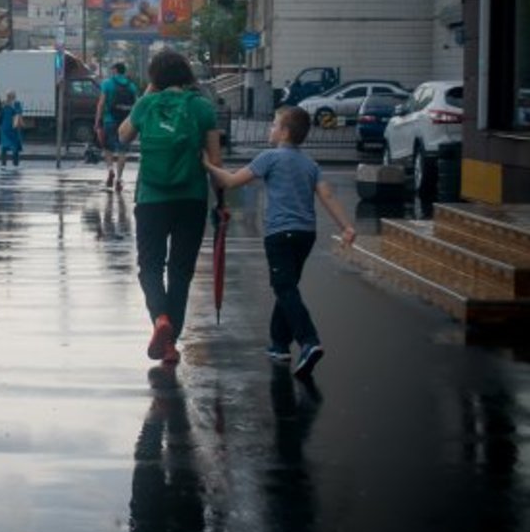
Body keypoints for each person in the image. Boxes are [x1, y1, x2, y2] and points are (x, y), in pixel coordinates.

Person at [203, 105, 356, 379]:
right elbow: (328, 196)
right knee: (287, 287)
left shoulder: (270, 158)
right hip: (305, 235)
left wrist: (206, 164)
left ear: (284, 132)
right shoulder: (311, 164)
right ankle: (279, 344)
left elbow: (230, 181)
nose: (270, 129)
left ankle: (309, 341)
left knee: (284, 287)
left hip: (279, 235)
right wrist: (346, 226)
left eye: (273, 124)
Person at [118, 50, 221, 364]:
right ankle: (170, 342)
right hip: (191, 199)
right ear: (187, 76)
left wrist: (149, 91)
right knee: (180, 272)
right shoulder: (202, 108)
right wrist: (222, 203)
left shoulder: (147, 104)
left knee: (150, 267)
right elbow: (215, 162)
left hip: (151, 199)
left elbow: (122, 136)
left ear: (156, 78)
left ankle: (160, 319)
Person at [94, 62, 138, 192]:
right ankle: (119, 179)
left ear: (114, 70)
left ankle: (110, 169)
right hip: (125, 123)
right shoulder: (132, 86)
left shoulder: (107, 84)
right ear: (124, 71)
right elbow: (136, 106)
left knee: (107, 148)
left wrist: (98, 120)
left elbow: (101, 104)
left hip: (109, 121)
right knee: (122, 151)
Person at [0, 90, 24, 167]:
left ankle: (15, 163)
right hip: (5, 128)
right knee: (4, 146)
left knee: (14, 146)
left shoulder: (16, 104)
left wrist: (12, 107)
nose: (10, 97)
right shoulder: (4, 104)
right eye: (9, 96)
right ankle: (3, 163)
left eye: (11, 96)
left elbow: (19, 113)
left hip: (13, 128)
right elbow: (0, 114)